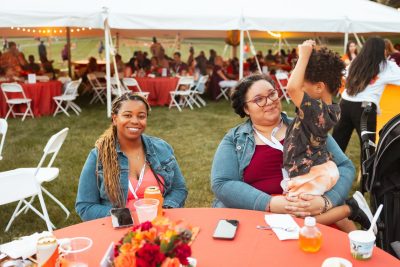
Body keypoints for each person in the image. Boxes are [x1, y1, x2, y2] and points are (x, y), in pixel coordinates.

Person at [211, 74, 372, 229]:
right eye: (258, 99)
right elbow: (222, 182)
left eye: (272, 94)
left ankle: (347, 213)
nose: (269, 102)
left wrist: (326, 201)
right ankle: (349, 211)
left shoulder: (308, 127)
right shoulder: (235, 140)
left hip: (312, 211)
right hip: (258, 216)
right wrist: (270, 203)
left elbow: (345, 166)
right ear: (246, 108)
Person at [284, 40, 373, 232]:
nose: (300, 88)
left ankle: (352, 208)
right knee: (317, 210)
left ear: (318, 88)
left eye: (303, 85)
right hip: (320, 168)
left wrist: (304, 55)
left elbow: (291, 88)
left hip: (311, 174)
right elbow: (297, 87)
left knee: (299, 219)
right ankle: (360, 238)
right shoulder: (329, 109)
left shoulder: (316, 111)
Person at [76, 93, 188, 221]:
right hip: (119, 229)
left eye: (141, 116)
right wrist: (125, 217)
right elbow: (85, 206)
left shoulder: (162, 148)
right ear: (114, 119)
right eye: (127, 115)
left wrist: (165, 209)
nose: (135, 121)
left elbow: (179, 189)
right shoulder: (99, 156)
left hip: (159, 224)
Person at [332, 37, 400, 154]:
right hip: (364, 109)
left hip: (344, 104)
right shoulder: (387, 66)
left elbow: (344, 75)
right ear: (382, 50)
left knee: (337, 146)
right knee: (368, 149)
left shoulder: (355, 62)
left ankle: (329, 171)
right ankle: (367, 173)